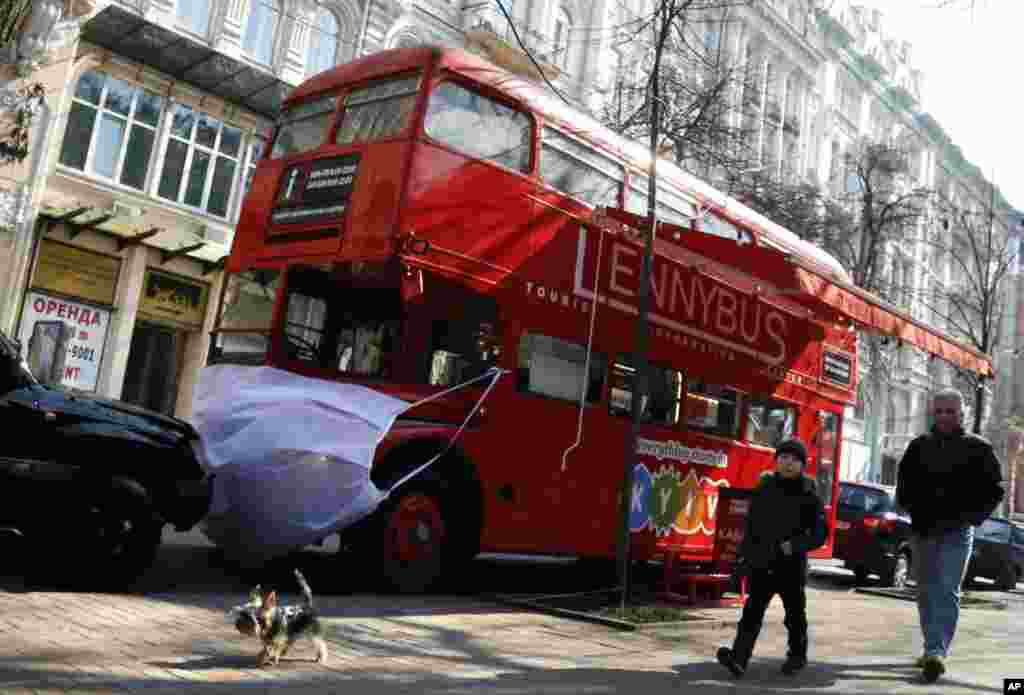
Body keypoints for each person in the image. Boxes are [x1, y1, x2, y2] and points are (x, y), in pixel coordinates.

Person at [896, 388, 1004, 684]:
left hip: (957, 531)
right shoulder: (918, 446)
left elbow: (995, 489)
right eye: (940, 411)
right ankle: (932, 646)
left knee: (946, 590)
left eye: (951, 412)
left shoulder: (979, 448)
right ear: (934, 413)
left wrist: (973, 518)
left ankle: (935, 651)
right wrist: (907, 504)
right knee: (926, 592)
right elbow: (903, 481)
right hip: (923, 530)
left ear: (962, 414)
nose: (944, 416)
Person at [716, 438, 828, 678]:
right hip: (763, 562)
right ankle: (739, 658)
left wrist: (796, 545)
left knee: (795, 614)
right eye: (783, 458)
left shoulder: (809, 493)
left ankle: (797, 656)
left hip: (791, 566)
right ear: (776, 461)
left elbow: (820, 533)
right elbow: (752, 527)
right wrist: (744, 558)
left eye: (794, 460)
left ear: (802, 465)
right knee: (752, 612)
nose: (788, 463)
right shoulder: (765, 488)